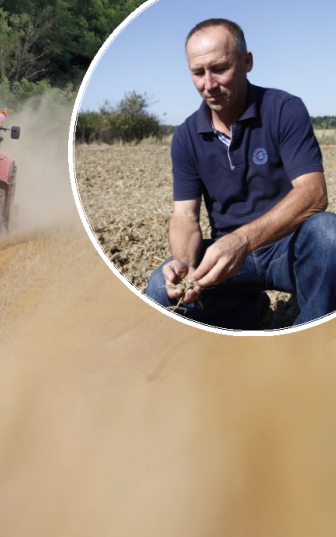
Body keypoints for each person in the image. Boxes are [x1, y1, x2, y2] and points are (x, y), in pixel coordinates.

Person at [144, 18, 336, 330]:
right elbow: (185, 216)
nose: (208, 84)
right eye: (197, 72)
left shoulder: (284, 109)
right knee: (159, 289)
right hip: (228, 260)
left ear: (247, 62)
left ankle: (310, 339)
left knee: (329, 234)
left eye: (219, 68)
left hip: (287, 246)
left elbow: (314, 194)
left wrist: (242, 240)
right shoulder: (186, 137)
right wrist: (184, 262)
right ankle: (246, 311)